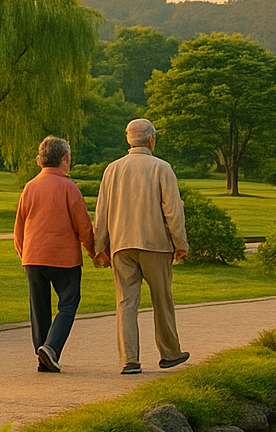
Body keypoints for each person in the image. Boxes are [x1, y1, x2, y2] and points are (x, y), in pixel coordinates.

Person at [94, 118, 190, 375]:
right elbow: (173, 210)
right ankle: (170, 353)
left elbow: (101, 212)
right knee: (162, 299)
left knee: (125, 303)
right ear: (151, 140)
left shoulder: (112, 170)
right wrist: (180, 243)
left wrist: (100, 246)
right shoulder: (162, 168)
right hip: (155, 243)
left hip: (121, 245)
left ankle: (129, 359)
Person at [14, 135, 96, 373]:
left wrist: (24, 254)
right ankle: (50, 348)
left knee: (39, 308)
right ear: (65, 159)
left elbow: (19, 227)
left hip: (33, 256)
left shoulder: (29, 187)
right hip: (64, 259)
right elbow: (84, 227)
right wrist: (93, 252)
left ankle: (42, 354)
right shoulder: (68, 187)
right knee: (68, 304)